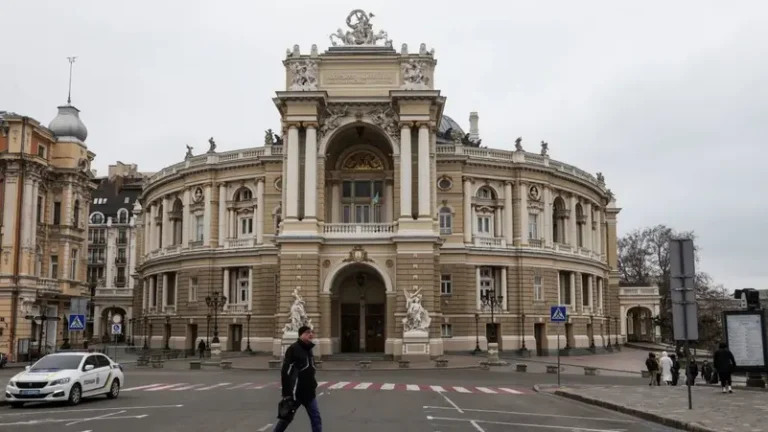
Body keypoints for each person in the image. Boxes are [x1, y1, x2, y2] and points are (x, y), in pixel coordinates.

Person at [274, 326, 321, 432]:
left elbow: (310, 369)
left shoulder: (309, 349)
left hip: (309, 392)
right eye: (308, 332)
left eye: (312, 332)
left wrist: (314, 384)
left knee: (316, 418)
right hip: (296, 393)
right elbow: (285, 372)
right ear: (301, 334)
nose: (311, 334)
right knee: (286, 418)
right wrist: (287, 394)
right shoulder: (293, 349)